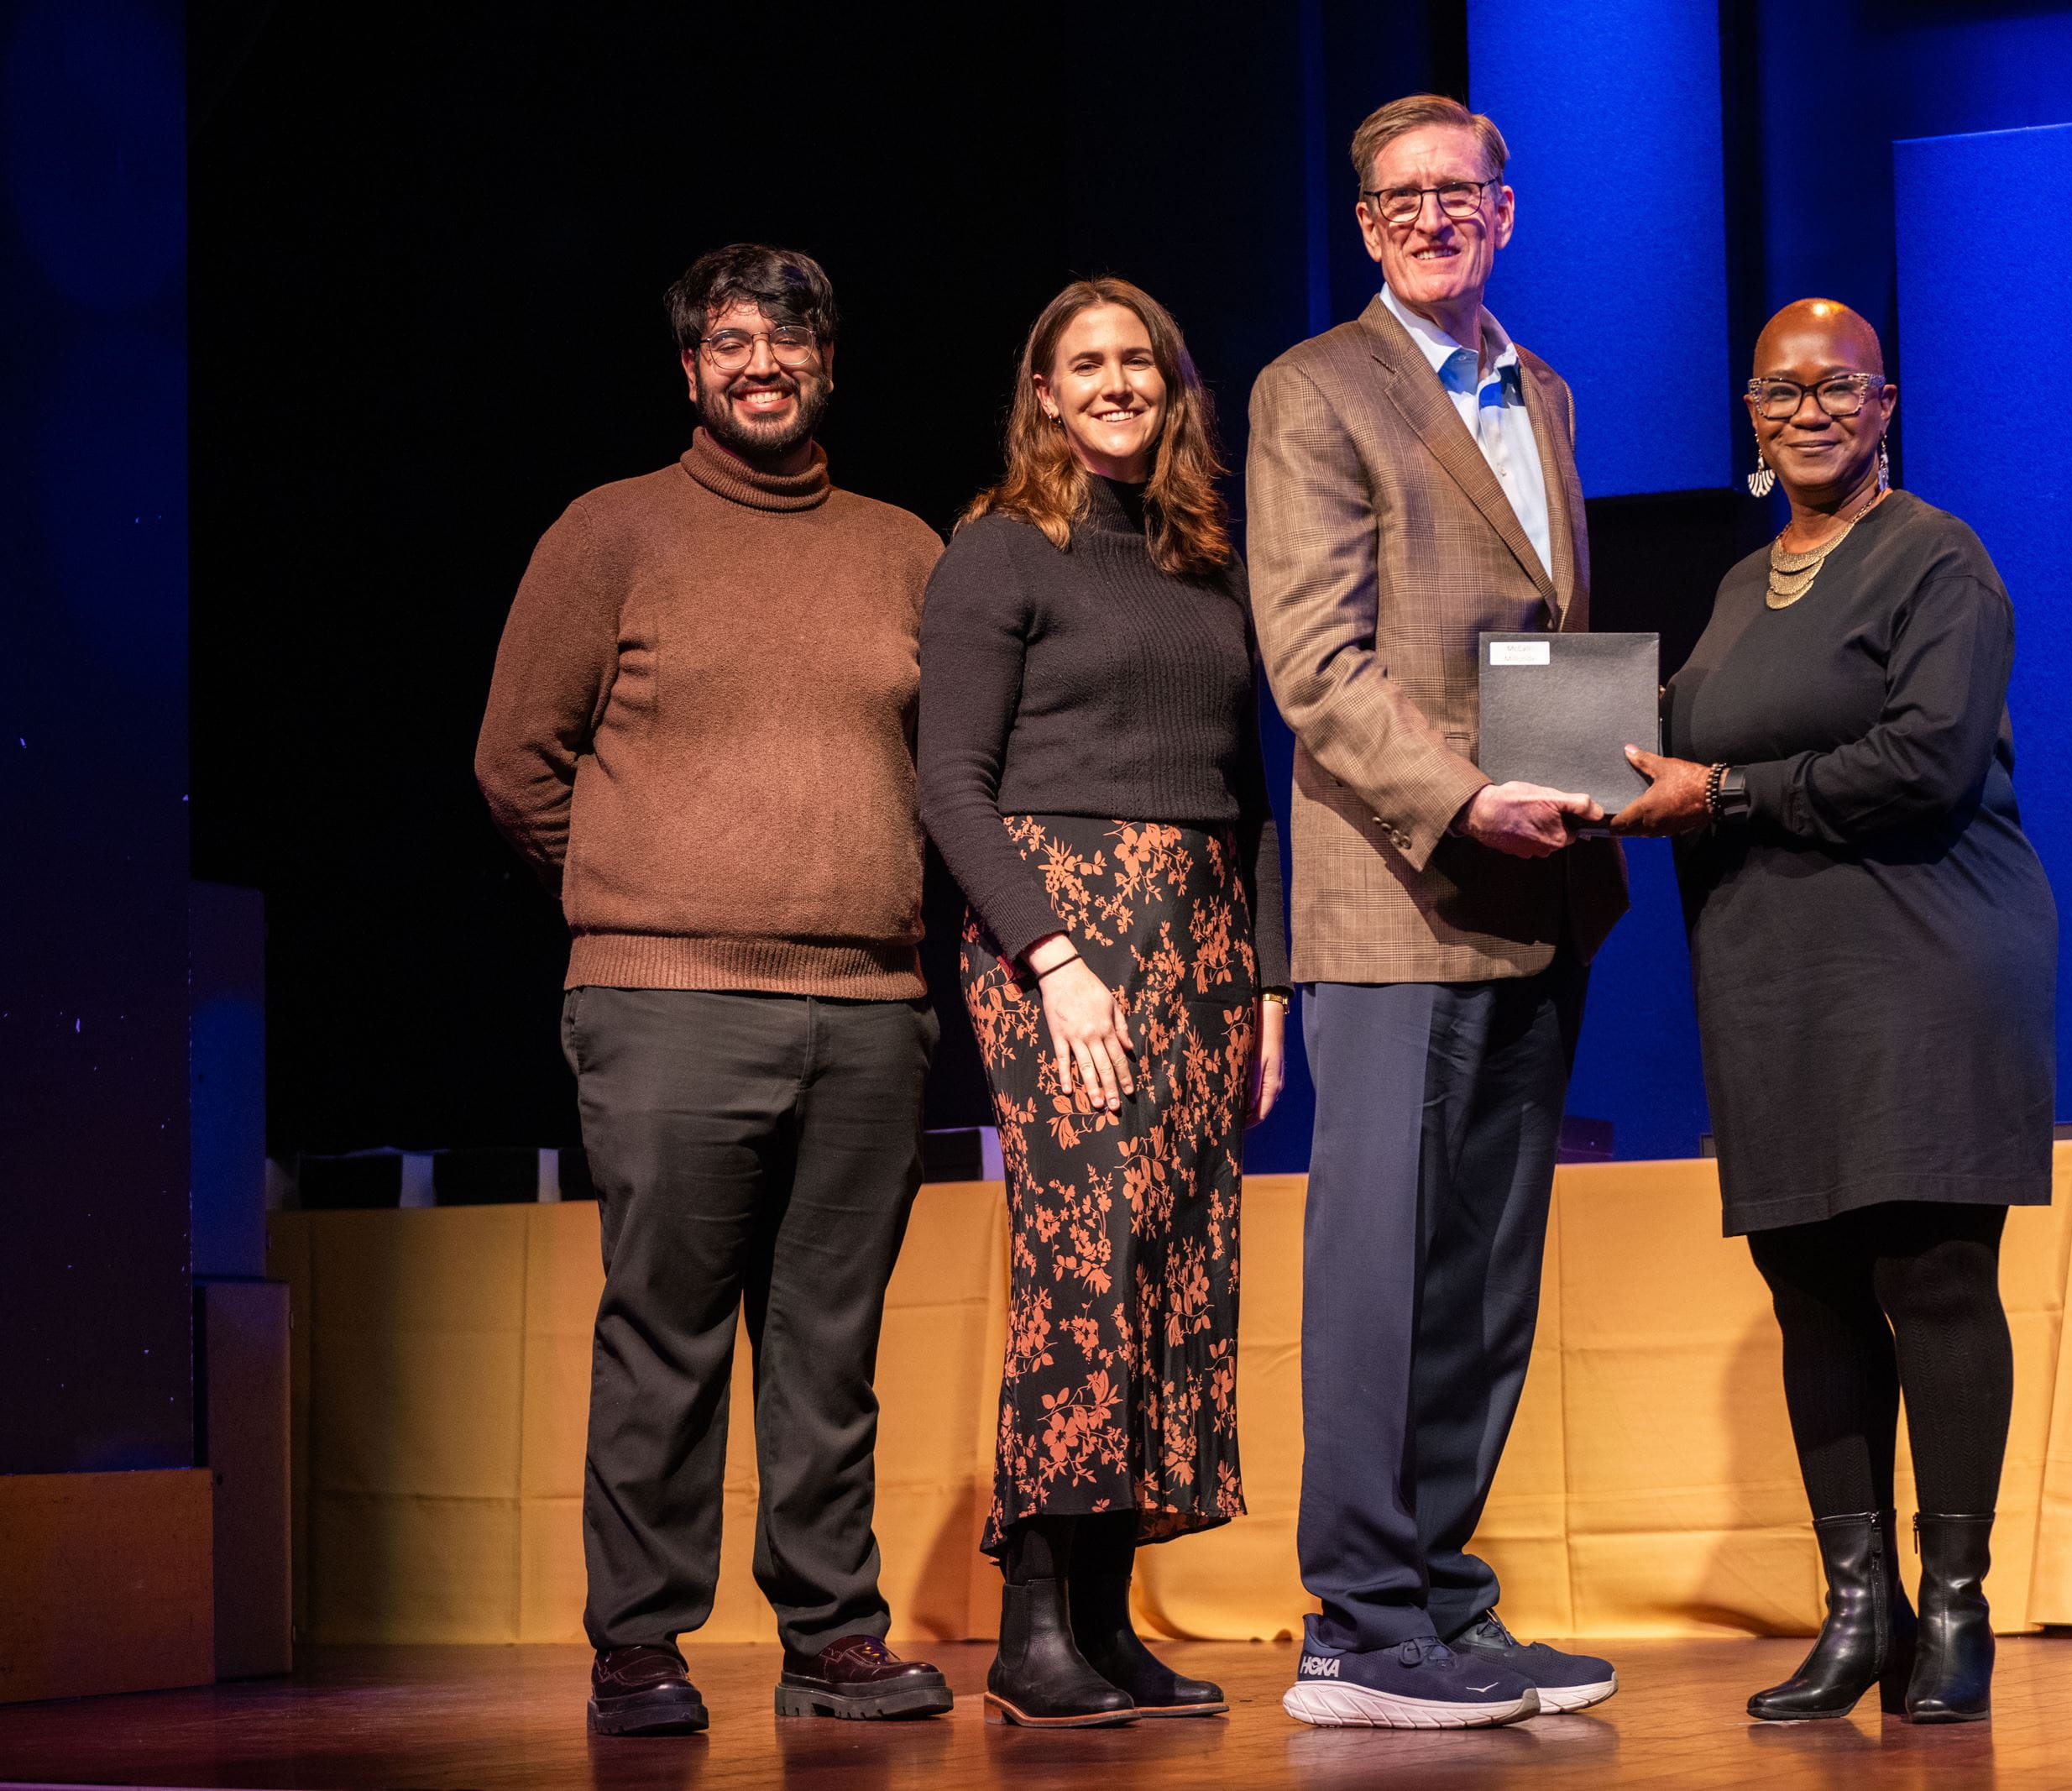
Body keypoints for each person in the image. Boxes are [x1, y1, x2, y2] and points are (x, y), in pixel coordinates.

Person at [476, 244, 954, 1736]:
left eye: (789, 339)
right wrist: (638, 891)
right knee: (665, 1330)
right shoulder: (610, 531)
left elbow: (953, 772)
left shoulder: (904, 548)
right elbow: (516, 761)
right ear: (690, 371)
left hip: (870, 1007)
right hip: (668, 1000)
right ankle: (639, 1640)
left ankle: (833, 1633)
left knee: (831, 1343)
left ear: (829, 364)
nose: (763, 363)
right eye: (732, 341)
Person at [1615, 298, 2059, 1726]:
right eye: (1779, 390)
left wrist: (1728, 795)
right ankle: (1858, 1611)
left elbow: (1927, 761)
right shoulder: (1744, 586)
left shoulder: (1938, 558)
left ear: (1884, 408)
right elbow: (1664, 737)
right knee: (1809, 1288)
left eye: (1836, 388)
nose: (1807, 411)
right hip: (1772, 980)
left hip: (1923, 962)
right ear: (1751, 414)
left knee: (1933, 1278)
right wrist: (1535, 747)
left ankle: (1954, 1610)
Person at [1248, 94, 1628, 1731]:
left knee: (1484, 1269)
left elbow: (1542, 627)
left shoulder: (1543, 388)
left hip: (1538, 882)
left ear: (1505, 208)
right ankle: (1358, 1619)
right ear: (1363, 224)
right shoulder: (1315, 389)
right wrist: (1465, 796)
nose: (1427, 216)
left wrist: (1581, 787)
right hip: (1397, 886)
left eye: (1455, 190)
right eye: (1396, 197)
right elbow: (1317, 660)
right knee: (1383, 1261)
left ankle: (1444, 1596)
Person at [918, 278, 1290, 1728]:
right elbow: (951, 784)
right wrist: (1052, 956)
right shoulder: (1000, 549)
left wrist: (1269, 982)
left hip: (1200, 933)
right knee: (1086, 1257)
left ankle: (1103, 1618)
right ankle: (1031, 1631)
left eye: (1139, 360)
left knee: (1175, 1259)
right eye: (1087, 363)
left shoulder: (1206, 562)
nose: (1117, 382)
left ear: (1173, 386)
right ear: (1045, 392)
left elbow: (1249, 796)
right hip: (1061, 936)